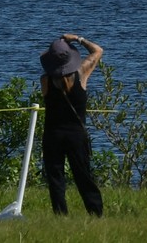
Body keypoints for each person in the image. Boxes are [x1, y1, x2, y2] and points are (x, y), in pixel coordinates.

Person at [39, 33, 105, 216]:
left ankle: (60, 215)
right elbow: (98, 51)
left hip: (53, 134)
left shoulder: (45, 81)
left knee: (55, 178)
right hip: (76, 134)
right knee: (84, 175)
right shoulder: (81, 74)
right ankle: (96, 212)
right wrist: (78, 39)